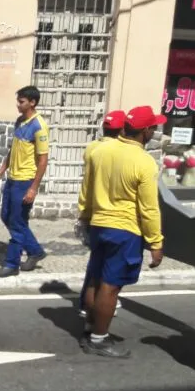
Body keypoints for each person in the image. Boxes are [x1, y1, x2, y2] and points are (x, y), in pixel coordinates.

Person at [78, 105, 166, 359]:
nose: (155, 132)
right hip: (125, 230)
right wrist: (156, 243)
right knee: (111, 286)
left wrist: (84, 218)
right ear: (146, 131)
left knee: (95, 278)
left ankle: (89, 328)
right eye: (154, 128)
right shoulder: (145, 163)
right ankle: (99, 338)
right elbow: (149, 209)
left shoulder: (99, 151)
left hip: (99, 225)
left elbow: (87, 189)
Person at [0, 86, 49, 277]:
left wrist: (33, 188)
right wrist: (1, 171)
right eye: (18, 101)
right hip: (12, 179)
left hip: (25, 181)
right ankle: (35, 251)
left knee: (17, 223)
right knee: (7, 217)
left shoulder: (38, 126)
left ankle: (11, 264)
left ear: (32, 102)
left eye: (22, 101)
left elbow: (43, 160)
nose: (18, 105)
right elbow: (13, 150)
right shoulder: (19, 122)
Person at [76, 110, 126, 319]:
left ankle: (87, 304)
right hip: (115, 216)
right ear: (123, 130)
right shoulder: (120, 152)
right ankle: (101, 305)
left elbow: (88, 184)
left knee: (95, 263)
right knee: (108, 269)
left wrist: (83, 214)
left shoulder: (92, 149)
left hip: (93, 212)